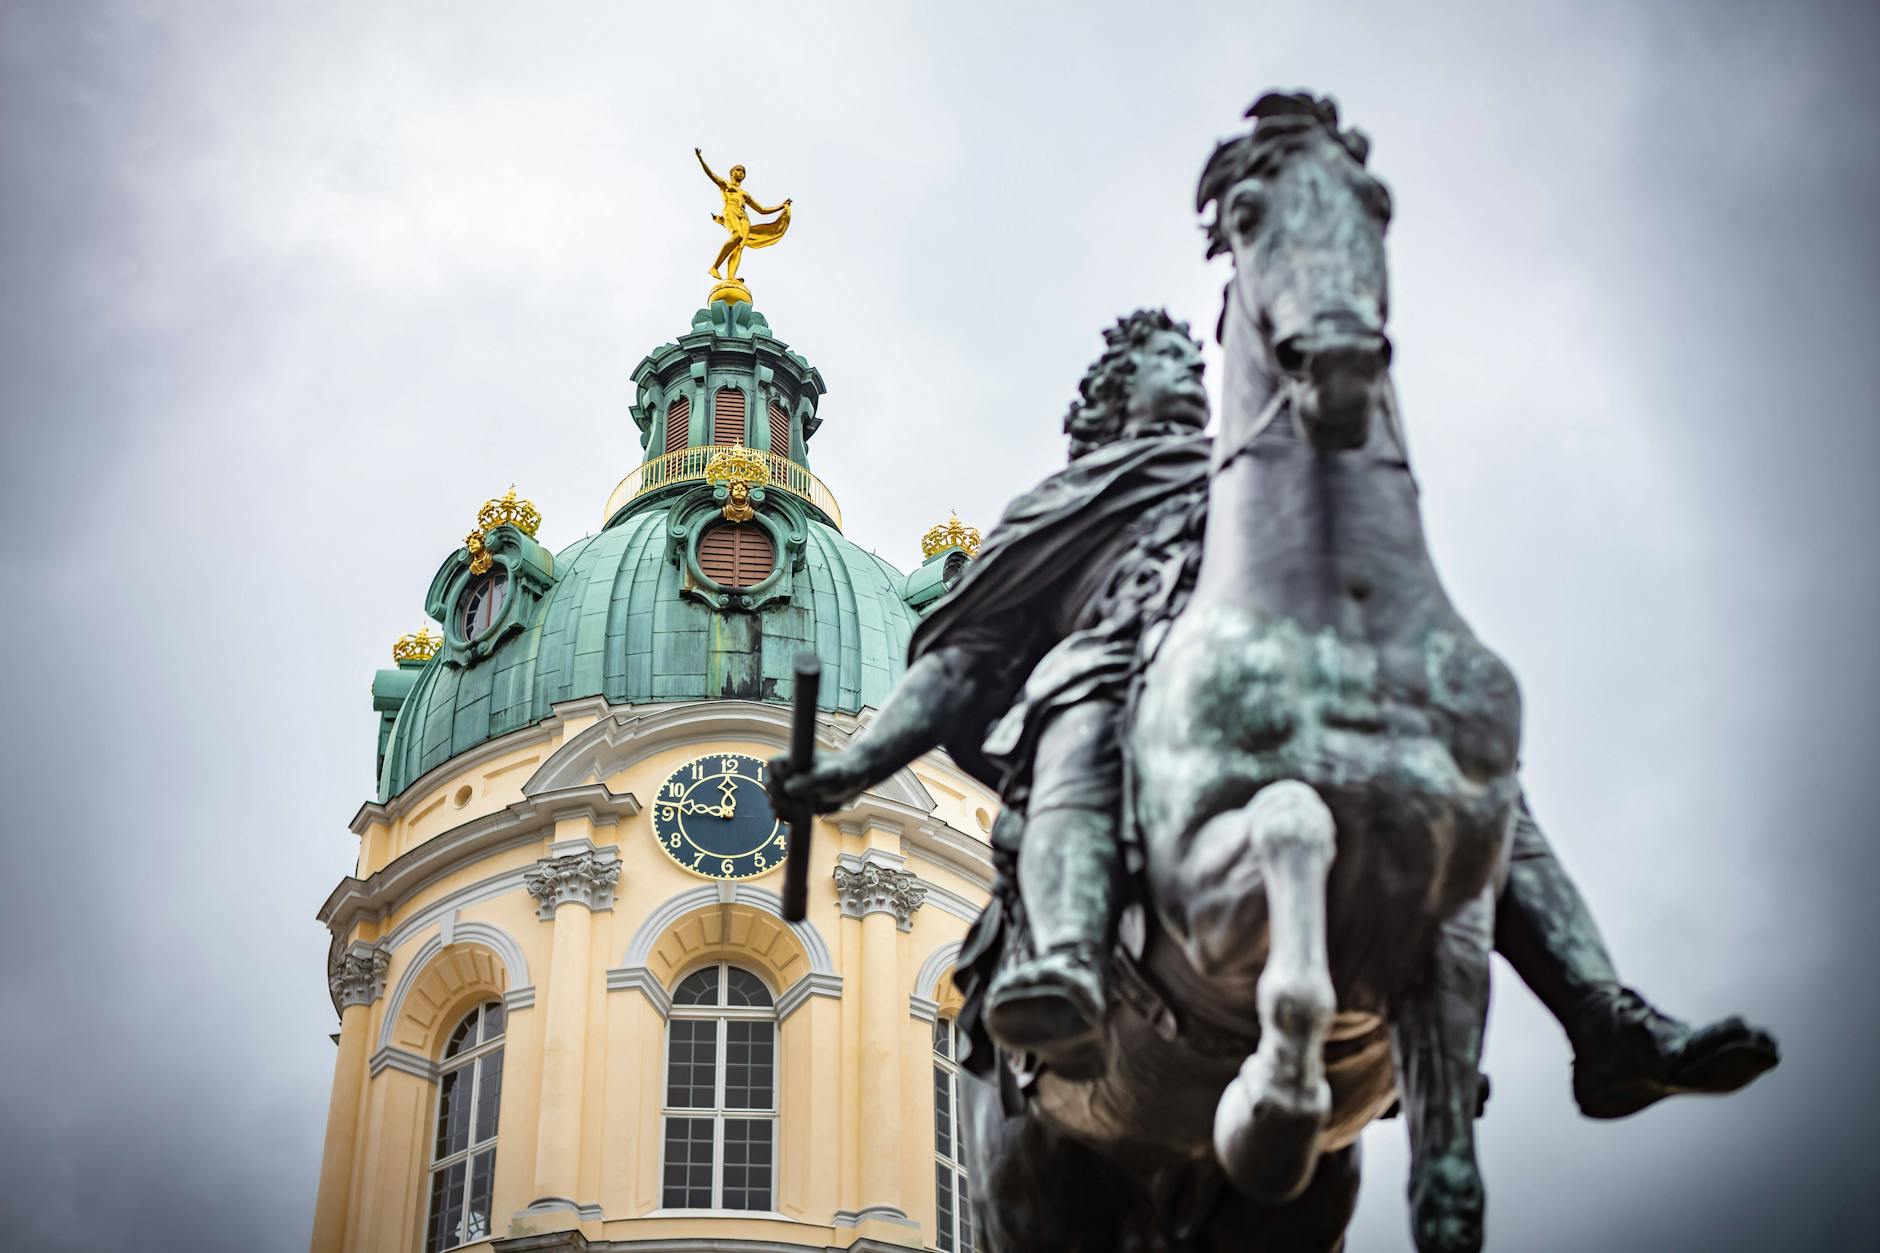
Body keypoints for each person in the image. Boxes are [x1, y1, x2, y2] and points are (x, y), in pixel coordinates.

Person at [772, 310, 1778, 1113]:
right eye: (1168, 360)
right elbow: (967, 662)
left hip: (1258, 698)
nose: (1190, 376)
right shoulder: (1071, 499)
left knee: (1466, 768)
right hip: (1120, 697)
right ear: (1116, 392)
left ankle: (1603, 1021)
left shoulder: (1256, 477)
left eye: (1189, 358)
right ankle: (1074, 968)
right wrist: (854, 769)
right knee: (1078, 706)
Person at [695, 148, 791, 282]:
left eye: (743, 171)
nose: (741, 173)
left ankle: (731, 277)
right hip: (730, 211)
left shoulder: (744, 194)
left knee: (739, 246)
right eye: (738, 170)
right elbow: (711, 175)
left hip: (744, 217)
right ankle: (714, 267)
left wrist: (781, 206)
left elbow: (761, 209)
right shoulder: (726, 185)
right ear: (732, 173)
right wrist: (700, 159)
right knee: (737, 236)